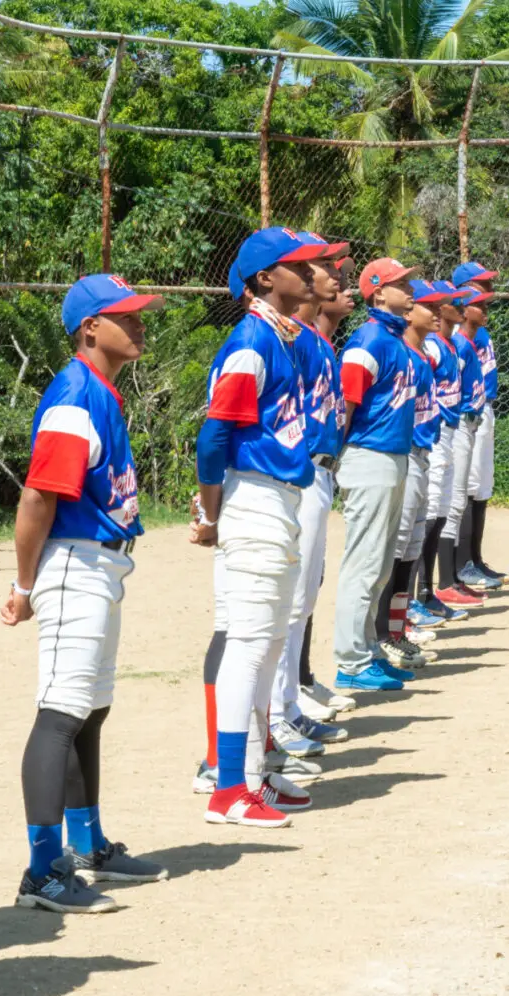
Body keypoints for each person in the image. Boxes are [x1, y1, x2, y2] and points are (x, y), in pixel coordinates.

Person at [3, 272, 168, 910]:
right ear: (89, 327)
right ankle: (43, 869)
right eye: (125, 315)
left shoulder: (100, 392)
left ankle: (87, 844)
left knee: (91, 708)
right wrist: (23, 585)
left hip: (101, 564)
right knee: (61, 713)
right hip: (74, 564)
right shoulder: (75, 396)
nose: (139, 323)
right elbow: (38, 498)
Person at [193, 227, 325, 828]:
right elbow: (215, 433)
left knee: (270, 641)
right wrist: (209, 509)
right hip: (252, 497)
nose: (310, 272)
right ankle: (226, 790)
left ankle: (256, 769)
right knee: (248, 643)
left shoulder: (282, 335)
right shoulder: (251, 340)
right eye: (297, 265)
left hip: (280, 497)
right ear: (266, 279)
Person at [267, 237, 353, 750]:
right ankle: (278, 713)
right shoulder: (288, 337)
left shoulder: (316, 342)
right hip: (296, 475)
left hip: (320, 473)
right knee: (289, 600)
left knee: (302, 598)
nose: (334, 275)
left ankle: (290, 705)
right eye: (322, 266)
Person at [333, 257, 420, 693]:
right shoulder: (368, 341)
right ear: (377, 292)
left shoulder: (394, 339)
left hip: (393, 457)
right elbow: (345, 407)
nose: (410, 288)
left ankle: (366, 649)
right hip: (369, 456)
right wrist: (336, 458)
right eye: (400, 283)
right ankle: (349, 660)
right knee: (364, 563)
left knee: (381, 564)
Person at [376, 278, 455, 672]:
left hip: (423, 453)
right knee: (396, 547)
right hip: (404, 453)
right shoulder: (403, 353)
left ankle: (396, 628)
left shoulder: (422, 354)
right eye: (431, 306)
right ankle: (382, 636)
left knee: (409, 548)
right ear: (409, 313)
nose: (438, 312)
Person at [422, 282, 490, 609]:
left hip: (457, 425)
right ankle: (437, 584)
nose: (460, 305)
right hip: (446, 427)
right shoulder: (438, 345)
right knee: (441, 506)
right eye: (453, 301)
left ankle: (448, 581)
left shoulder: (451, 344)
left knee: (453, 500)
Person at [450, 261, 509, 585]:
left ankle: (475, 558)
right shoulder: (459, 333)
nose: (489, 291)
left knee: (482, 487)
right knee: (467, 488)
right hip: (465, 415)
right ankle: (460, 565)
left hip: (484, 408)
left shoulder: (481, 329)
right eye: (482, 285)